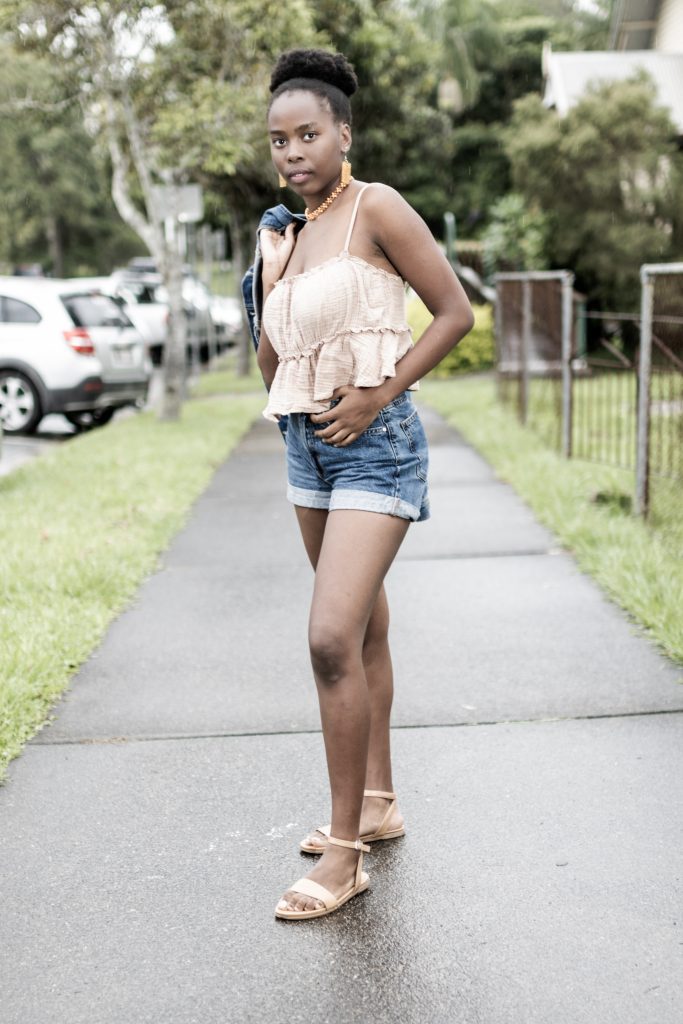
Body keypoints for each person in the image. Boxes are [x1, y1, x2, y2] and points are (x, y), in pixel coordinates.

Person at [253, 48, 474, 921]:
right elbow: (272, 362)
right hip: (307, 450)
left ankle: (343, 857)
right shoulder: (289, 233)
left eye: (308, 134)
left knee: (329, 638)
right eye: (278, 140)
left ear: (343, 133)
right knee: (367, 628)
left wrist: (384, 388)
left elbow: (455, 310)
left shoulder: (374, 207)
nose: (293, 152)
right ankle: (377, 803)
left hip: (375, 443)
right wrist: (270, 278)